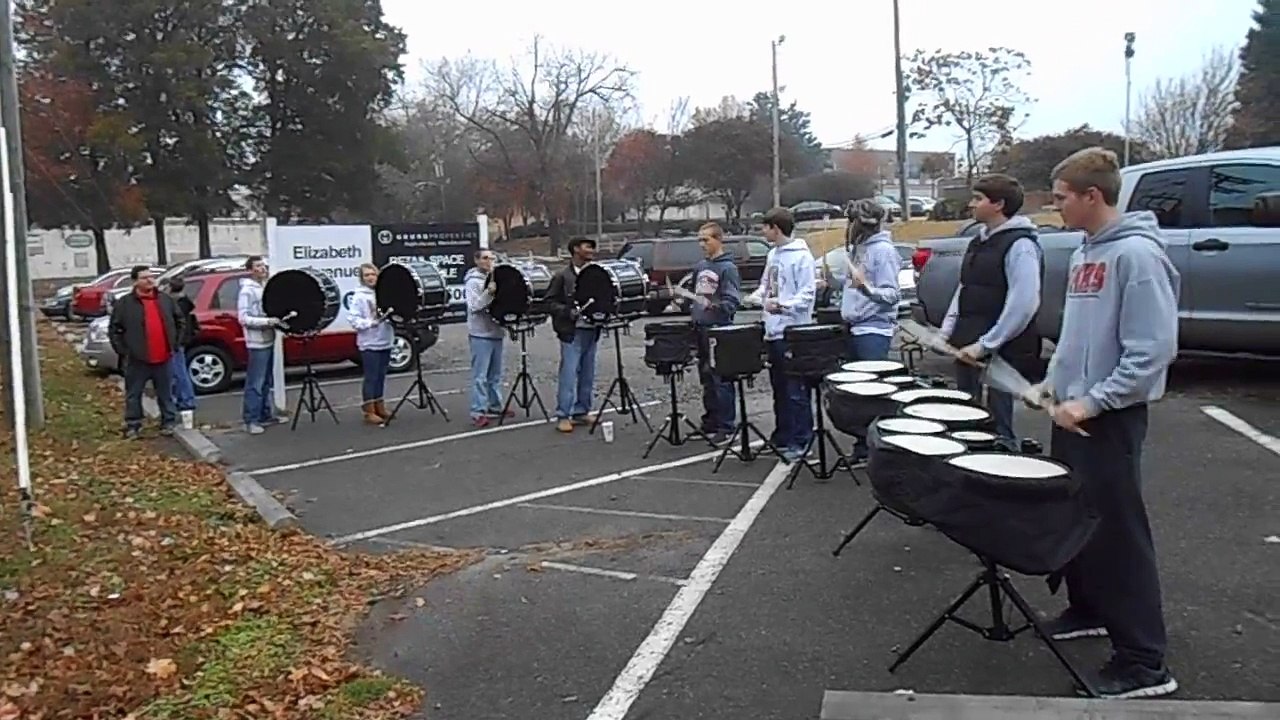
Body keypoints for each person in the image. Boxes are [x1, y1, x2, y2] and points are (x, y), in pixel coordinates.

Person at [1033, 146, 1180, 699]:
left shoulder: (1136, 257)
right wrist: (1055, 381)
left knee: (1118, 535)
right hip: (1072, 411)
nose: (1057, 207)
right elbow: (1077, 336)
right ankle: (1088, 608)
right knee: (1076, 518)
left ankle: (1145, 662)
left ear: (1093, 196)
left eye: (1063, 198)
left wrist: (1094, 401)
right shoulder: (1083, 253)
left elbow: (1152, 350)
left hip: (1107, 419)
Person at [940, 174, 1043, 452]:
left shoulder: (1021, 245)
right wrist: (948, 331)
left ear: (998, 204)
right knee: (966, 414)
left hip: (1002, 349)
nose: (971, 204)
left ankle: (1004, 462)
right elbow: (965, 288)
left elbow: (1024, 302)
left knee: (1000, 423)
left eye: (978, 198)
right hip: (969, 340)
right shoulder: (978, 241)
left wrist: (987, 344)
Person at [826, 198, 901, 463]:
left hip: (873, 330)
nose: (849, 228)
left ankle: (878, 450)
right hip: (855, 327)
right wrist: (834, 283)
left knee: (873, 393)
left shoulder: (882, 251)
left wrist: (866, 289)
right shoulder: (859, 250)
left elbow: (892, 294)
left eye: (853, 222)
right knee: (857, 393)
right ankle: (862, 446)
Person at [758, 207, 816, 462]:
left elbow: (807, 295)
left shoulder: (802, 257)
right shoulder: (773, 255)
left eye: (765, 227)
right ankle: (783, 434)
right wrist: (759, 298)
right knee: (779, 388)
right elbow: (766, 286)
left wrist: (782, 306)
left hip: (793, 331)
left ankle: (802, 439)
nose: (763, 231)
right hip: (773, 331)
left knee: (795, 389)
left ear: (776, 228)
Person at [108, 265, 182, 439]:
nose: (150, 280)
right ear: (135, 281)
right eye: (144, 278)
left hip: (164, 356)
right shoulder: (125, 303)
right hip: (137, 359)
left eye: (151, 277)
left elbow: (180, 321)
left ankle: (168, 422)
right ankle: (133, 425)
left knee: (165, 393)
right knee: (134, 394)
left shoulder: (165, 300)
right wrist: (124, 351)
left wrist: (175, 343)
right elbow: (114, 329)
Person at [690, 222, 742, 443]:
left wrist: (717, 306)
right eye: (700, 240)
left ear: (718, 239)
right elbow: (695, 293)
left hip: (719, 328)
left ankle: (726, 424)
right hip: (701, 327)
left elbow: (732, 300)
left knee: (721, 378)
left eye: (706, 239)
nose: (702, 244)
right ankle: (710, 420)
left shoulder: (727, 268)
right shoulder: (701, 266)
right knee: (706, 377)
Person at [545, 237, 602, 433]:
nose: (592, 250)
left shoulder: (595, 274)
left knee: (588, 373)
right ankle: (563, 414)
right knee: (568, 374)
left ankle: (581, 410)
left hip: (591, 329)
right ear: (576, 249)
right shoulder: (562, 276)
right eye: (587, 246)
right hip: (571, 331)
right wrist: (567, 312)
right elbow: (549, 302)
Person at [237, 256, 283, 435]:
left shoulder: (264, 287)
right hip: (256, 342)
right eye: (258, 266)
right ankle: (251, 419)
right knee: (255, 382)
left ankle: (265, 414)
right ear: (250, 270)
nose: (262, 269)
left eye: (264, 265)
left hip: (268, 338)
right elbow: (243, 318)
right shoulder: (247, 291)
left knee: (265, 381)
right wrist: (267, 321)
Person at [464, 249, 510, 427]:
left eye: (492, 258)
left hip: (496, 331)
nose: (489, 261)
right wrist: (489, 293)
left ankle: (494, 405)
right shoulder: (473, 281)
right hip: (480, 333)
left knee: (495, 374)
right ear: (476, 260)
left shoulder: (496, 277)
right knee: (480, 375)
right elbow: (475, 306)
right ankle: (478, 410)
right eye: (485, 258)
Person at [348, 262, 395, 426]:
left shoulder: (384, 293)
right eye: (366, 275)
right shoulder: (359, 296)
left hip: (385, 340)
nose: (370, 278)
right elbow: (353, 319)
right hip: (369, 342)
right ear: (362, 278)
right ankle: (369, 410)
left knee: (381, 376)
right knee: (371, 377)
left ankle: (379, 405)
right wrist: (370, 323)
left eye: (372, 274)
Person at [167, 276, 199, 418]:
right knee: (179, 370)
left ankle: (186, 400)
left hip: (175, 341)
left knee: (178, 371)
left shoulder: (173, 304)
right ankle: (185, 399)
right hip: (181, 340)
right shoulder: (184, 302)